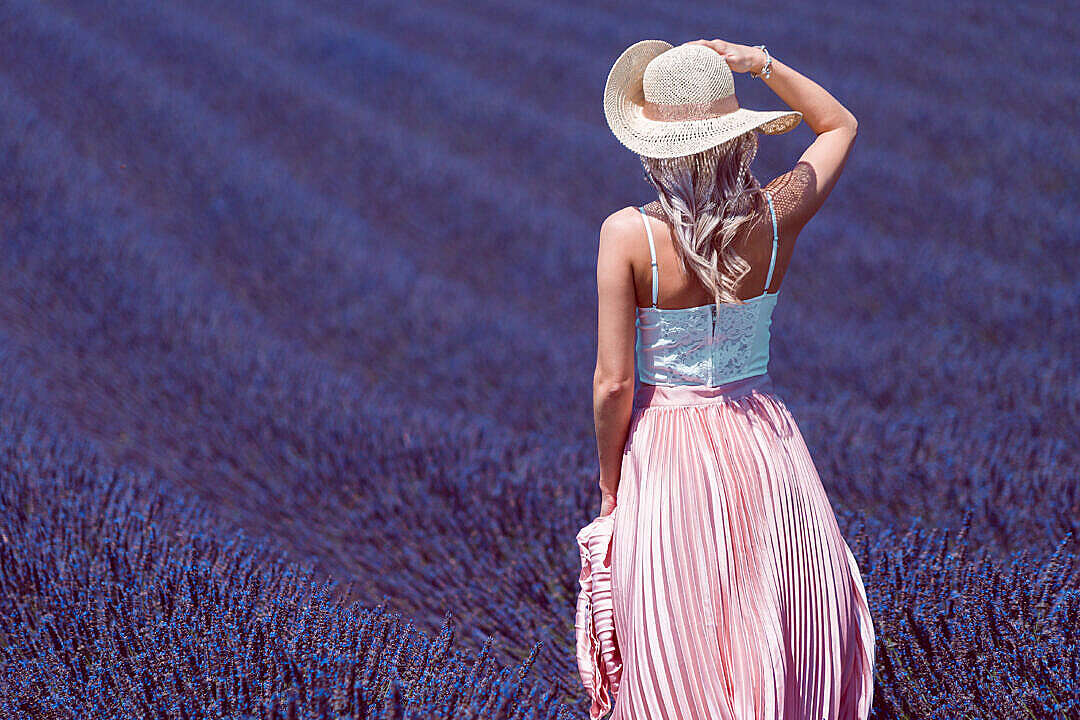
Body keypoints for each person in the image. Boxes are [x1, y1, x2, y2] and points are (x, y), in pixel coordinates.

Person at [590, 39, 876, 719]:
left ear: (656, 143)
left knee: (678, 640)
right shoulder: (776, 216)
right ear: (734, 136)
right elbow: (840, 124)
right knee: (769, 626)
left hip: (669, 454)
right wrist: (759, 63)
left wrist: (610, 486)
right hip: (762, 442)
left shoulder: (628, 235)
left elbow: (612, 384)